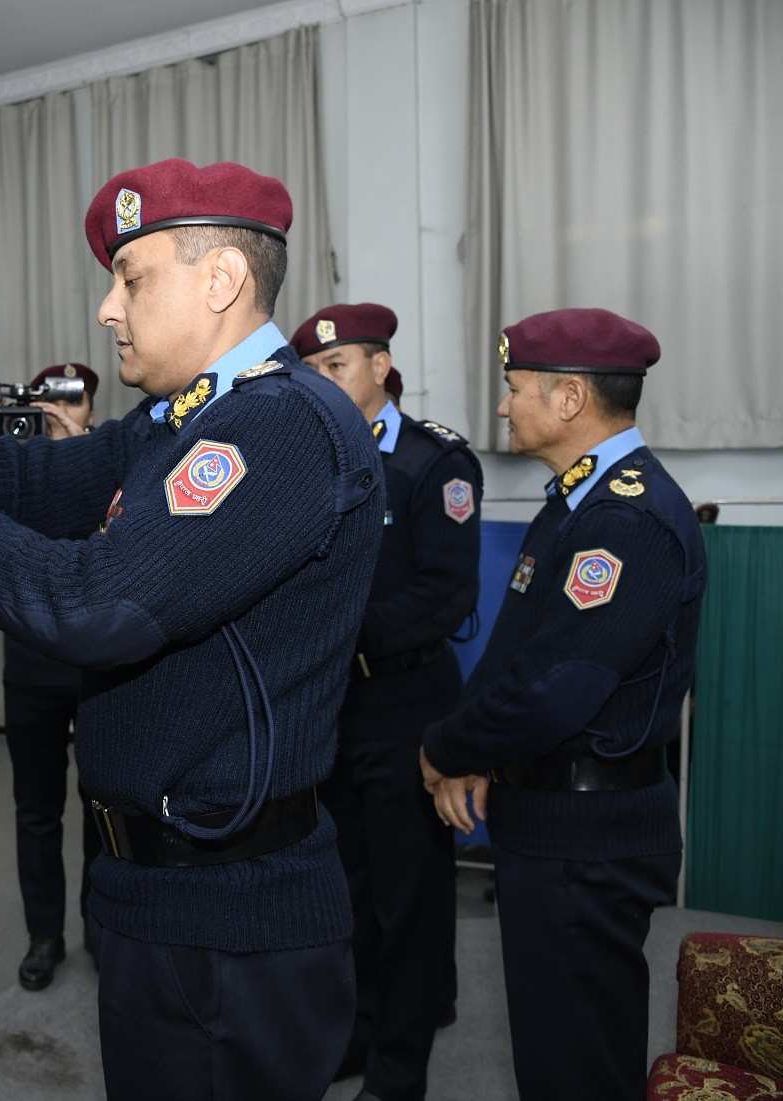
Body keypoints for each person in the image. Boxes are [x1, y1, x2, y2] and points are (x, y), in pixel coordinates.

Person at [0, 159, 383, 1100]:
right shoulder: (184, 421)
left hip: (232, 915)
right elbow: (42, 483)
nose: (109, 308)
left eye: (132, 278)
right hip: (156, 892)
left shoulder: (276, 427)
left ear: (221, 280)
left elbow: (98, 605)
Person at [419, 309, 705, 1101]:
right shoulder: (576, 502)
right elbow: (516, 650)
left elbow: (557, 691)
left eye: (515, 389)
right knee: (552, 1050)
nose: (505, 406)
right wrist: (479, 750)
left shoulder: (624, 519)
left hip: (588, 838)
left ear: (571, 396)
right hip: (552, 820)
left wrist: (444, 747)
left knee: (577, 1065)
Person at [292, 304, 481, 1101]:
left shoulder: (435, 462)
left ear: (379, 366)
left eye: (338, 367)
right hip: (334, 707)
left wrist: (335, 628)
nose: (326, 383)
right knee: (347, 890)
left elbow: (446, 595)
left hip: (407, 702)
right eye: (314, 372)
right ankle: (359, 1032)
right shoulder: (307, 458)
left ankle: (400, 1069)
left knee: (411, 898)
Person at [0, 362, 105, 992]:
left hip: (97, 669)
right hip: (31, 666)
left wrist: (81, 457)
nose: (64, 408)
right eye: (52, 398)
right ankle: (44, 934)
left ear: (92, 405)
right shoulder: (17, 467)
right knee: (35, 810)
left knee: (101, 803)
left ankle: (97, 924)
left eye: (75, 398)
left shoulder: (116, 458)